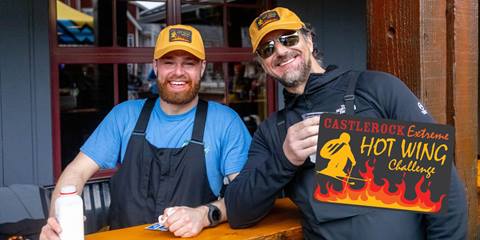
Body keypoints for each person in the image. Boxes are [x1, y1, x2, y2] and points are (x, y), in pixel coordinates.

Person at [224, 7, 467, 239]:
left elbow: (444, 185)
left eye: (288, 39)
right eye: (267, 49)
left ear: (308, 40)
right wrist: (284, 160)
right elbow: (238, 210)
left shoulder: (375, 89)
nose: (280, 51)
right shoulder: (273, 132)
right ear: (263, 64)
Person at [40, 24, 251, 239]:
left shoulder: (225, 122)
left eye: (189, 63)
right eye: (169, 62)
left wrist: (204, 214)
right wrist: (56, 225)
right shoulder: (124, 115)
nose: (178, 72)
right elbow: (76, 172)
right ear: (155, 66)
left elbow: (247, 195)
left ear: (202, 68)